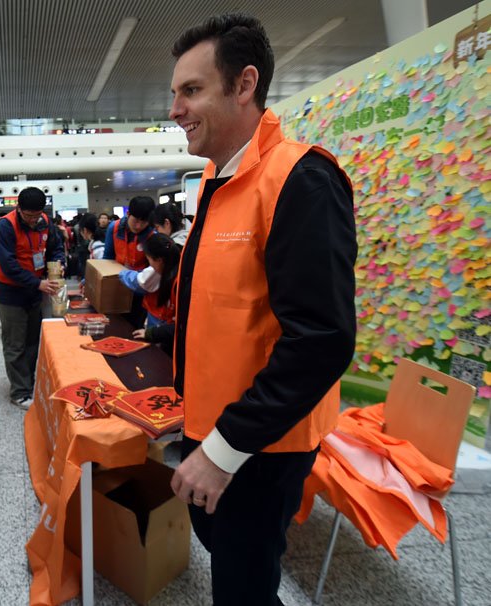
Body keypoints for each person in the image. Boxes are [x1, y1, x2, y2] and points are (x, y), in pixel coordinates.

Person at [166, 14, 357, 605]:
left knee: (242, 588)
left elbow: (321, 340)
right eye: (175, 93)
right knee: (231, 562)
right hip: (213, 426)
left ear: (244, 85)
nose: (176, 109)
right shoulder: (216, 181)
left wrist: (223, 451)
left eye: (191, 90)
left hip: (261, 446)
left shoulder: (301, 179)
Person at [0, 186, 65, 409]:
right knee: (15, 343)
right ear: (19, 209)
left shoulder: (45, 222)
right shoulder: (5, 226)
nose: (33, 220)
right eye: (28, 215)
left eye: (37, 215)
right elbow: (8, 265)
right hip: (10, 290)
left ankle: (30, 382)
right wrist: (38, 283)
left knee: (33, 341)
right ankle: (19, 392)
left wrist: (58, 263)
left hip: (34, 289)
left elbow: (55, 248)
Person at [103, 195, 155, 328]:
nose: (138, 226)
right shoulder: (113, 228)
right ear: (128, 214)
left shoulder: (152, 234)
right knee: (113, 325)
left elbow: (153, 268)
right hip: (116, 285)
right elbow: (107, 258)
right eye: (135, 221)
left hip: (140, 289)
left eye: (143, 222)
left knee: (134, 327)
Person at [119, 233, 180, 328]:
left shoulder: (177, 283)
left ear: (159, 260)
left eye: (149, 260)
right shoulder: (170, 266)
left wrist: (153, 333)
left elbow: (139, 281)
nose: (150, 265)